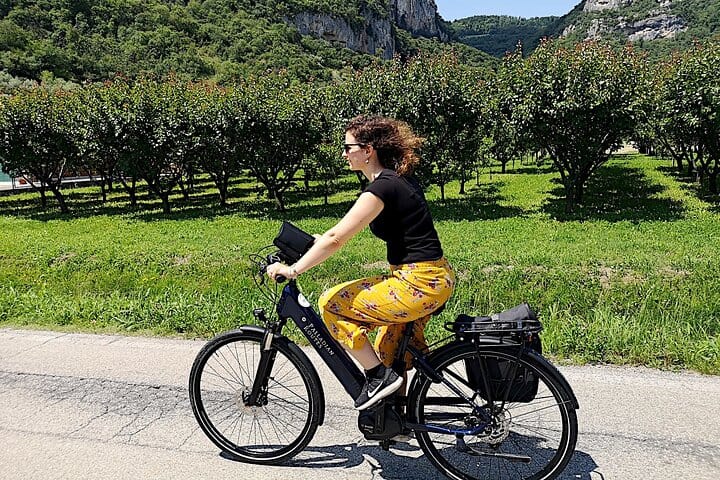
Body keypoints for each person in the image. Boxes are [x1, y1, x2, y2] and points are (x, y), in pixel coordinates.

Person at [266, 114, 455, 411]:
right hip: (432, 278)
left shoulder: (382, 187)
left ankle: (377, 376)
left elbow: (337, 238)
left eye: (348, 147)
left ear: (369, 151)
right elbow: (337, 235)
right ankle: (397, 419)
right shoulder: (396, 180)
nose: (344, 153)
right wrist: (319, 242)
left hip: (417, 283)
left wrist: (293, 269)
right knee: (389, 346)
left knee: (332, 304)